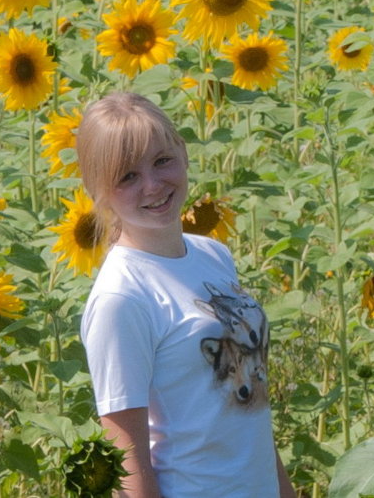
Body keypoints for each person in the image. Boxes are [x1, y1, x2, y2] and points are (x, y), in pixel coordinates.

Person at [76, 92, 295, 498]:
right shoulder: (122, 297)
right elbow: (126, 454)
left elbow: (249, 413)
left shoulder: (213, 256)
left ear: (183, 152)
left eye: (162, 160)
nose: (154, 185)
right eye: (128, 176)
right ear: (98, 189)